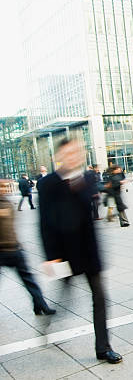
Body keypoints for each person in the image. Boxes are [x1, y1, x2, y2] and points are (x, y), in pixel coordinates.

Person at [37, 138, 122, 364]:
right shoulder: (48, 184)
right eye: (69, 152)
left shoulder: (86, 179)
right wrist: (50, 257)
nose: (75, 155)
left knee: (100, 298)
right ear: (59, 156)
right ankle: (49, 324)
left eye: (78, 151)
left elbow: (91, 211)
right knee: (66, 298)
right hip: (64, 253)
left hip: (89, 251)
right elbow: (45, 223)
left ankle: (103, 348)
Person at [0, 179, 56, 315]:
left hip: (14, 248)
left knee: (29, 280)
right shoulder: (6, 203)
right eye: (1, 186)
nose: (3, 189)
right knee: (28, 279)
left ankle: (40, 305)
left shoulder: (6, 202)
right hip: (3, 251)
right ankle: (40, 306)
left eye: (4, 186)